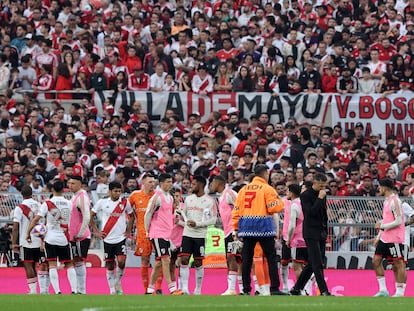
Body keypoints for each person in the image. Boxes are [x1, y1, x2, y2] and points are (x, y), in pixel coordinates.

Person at [232, 164, 285, 295]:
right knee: (271, 258)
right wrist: (281, 202)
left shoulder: (243, 190)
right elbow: (274, 208)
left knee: (246, 260)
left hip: (246, 228)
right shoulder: (268, 189)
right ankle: (274, 288)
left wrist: (236, 228)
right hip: (263, 227)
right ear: (265, 174)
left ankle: (245, 289)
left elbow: (236, 211)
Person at [26, 181, 77, 294]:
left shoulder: (47, 203)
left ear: (52, 190)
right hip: (64, 237)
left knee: (52, 265)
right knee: (69, 264)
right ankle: (74, 290)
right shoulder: (69, 203)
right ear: (63, 190)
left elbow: (36, 220)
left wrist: (28, 233)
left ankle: (57, 291)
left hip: (50, 238)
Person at [290, 172, 332, 296]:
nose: (322, 188)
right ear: (314, 183)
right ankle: (324, 291)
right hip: (310, 232)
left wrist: (325, 230)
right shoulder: (305, 196)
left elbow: (323, 214)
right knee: (317, 263)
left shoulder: (322, 195)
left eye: (324, 186)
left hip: (321, 232)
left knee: (313, 263)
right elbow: (310, 213)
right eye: (321, 185)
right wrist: (319, 198)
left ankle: (296, 288)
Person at [90, 182, 135, 295]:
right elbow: (90, 215)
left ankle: (118, 282)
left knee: (121, 262)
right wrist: (96, 231)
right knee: (110, 265)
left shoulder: (125, 203)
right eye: (115, 191)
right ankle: (111, 290)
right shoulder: (102, 202)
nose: (118, 193)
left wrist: (129, 230)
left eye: (119, 191)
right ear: (109, 191)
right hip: (107, 238)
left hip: (120, 238)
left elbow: (132, 216)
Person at [143, 173, 183, 295]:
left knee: (159, 262)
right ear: (161, 183)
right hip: (157, 233)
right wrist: (147, 231)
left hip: (167, 234)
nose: (170, 184)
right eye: (168, 182)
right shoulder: (156, 197)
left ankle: (150, 290)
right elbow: (148, 214)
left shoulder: (170, 198)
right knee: (166, 259)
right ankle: (172, 289)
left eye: (171, 181)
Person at [179, 175, 217, 295]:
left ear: (201, 185)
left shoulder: (210, 201)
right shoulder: (188, 199)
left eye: (194, 184)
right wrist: (183, 221)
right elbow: (182, 215)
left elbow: (213, 220)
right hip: (187, 234)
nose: (191, 186)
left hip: (200, 235)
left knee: (198, 262)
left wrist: (198, 224)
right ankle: (184, 288)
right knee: (184, 259)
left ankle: (198, 289)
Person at [12, 185, 48, 294]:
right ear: (32, 193)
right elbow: (45, 222)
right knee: (41, 264)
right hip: (39, 239)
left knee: (28, 265)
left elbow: (15, 227)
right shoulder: (40, 205)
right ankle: (43, 290)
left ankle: (33, 291)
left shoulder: (20, 208)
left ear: (21, 194)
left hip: (26, 240)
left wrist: (14, 243)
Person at [372, 178, 406, 297]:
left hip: (395, 238)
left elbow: (398, 221)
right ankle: (383, 290)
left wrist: (382, 225)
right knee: (376, 261)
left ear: (385, 187)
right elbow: (387, 220)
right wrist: (379, 235)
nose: (378, 189)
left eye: (380, 186)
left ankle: (400, 292)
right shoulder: (386, 201)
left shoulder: (395, 201)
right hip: (385, 237)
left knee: (398, 264)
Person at [209, 175, 240, 295]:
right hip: (227, 231)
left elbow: (241, 207)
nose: (211, 185)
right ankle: (236, 288)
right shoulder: (220, 197)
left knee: (233, 257)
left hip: (235, 231)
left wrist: (236, 229)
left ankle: (233, 288)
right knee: (231, 258)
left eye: (212, 182)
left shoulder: (229, 193)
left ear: (219, 183)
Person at [128, 173, 157, 293]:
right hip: (142, 233)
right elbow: (127, 209)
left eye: (154, 182)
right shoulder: (135, 195)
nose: (153, 184)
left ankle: (158, 287)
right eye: (150, 182)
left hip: (156, 231)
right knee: (145, 260)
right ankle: (146, 289)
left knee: (159, 260)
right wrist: (131, 224)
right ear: (143, 183)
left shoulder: (157, 196)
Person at [281, 184, 312, 295]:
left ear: (292, 192)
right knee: (307, 265)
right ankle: (308, 290)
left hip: (296, 240)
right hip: (307, 238)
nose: (286, 194)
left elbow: (292, 225)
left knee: (297, 266)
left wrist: (288, 239)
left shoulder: (294, 205)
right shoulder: (305, 203)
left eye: (288, 191)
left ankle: (301, 289)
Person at [67, 175, 91, 295]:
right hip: (74, 235)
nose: (70, 186)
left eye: (73, 183)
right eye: (69, 183)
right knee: (76, 261)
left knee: (78, 260)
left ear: (80, 184)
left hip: (80, 236)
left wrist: (80, 233)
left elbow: (87, 216)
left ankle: (81, 290)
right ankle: (78, 289)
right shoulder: (74, 196)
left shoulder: (82, 197)